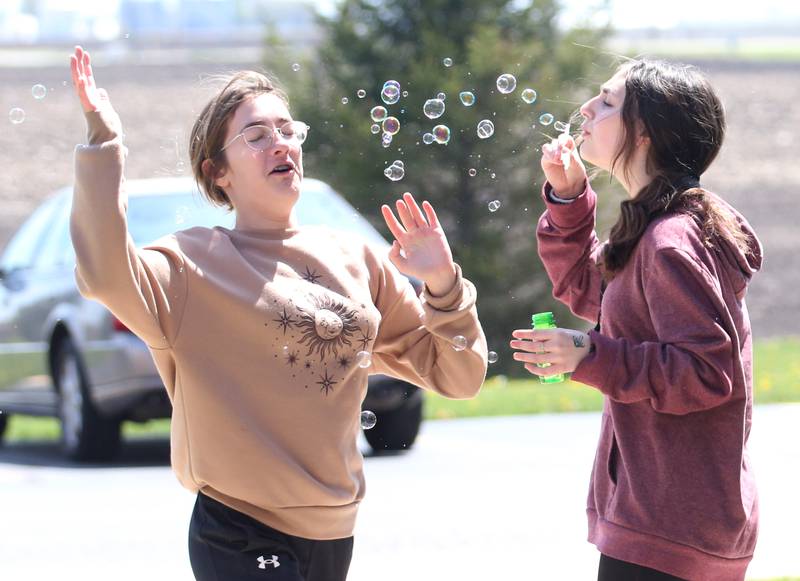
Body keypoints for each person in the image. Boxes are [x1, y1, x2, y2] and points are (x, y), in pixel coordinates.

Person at [69, 45, 488, 581]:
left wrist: (443, 285)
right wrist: (104, 144)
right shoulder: (190, 263)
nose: (280, 144)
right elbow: (103, 272)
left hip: (335, 531)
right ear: (217, 171)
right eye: (257, 135)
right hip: (239, 529)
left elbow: (460, 375)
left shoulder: (356, 259)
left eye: (288, 130)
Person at [510, 59, 761, 580]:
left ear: (643, 132)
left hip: (669, 525)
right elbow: (589, 289)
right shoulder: (660, 228)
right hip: (672, 519)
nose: (585, 109)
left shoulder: (671, 239)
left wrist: (589, 354)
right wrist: (568, 199)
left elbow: (704, 372)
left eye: (606, 102)